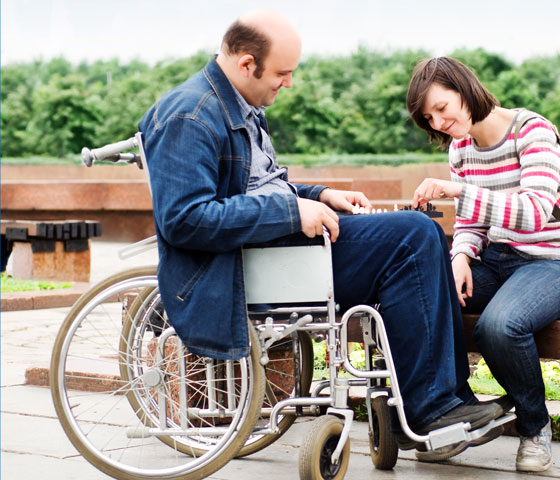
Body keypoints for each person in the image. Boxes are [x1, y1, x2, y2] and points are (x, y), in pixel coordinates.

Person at [137, 11, 503, 449]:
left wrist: (321, 194)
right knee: (413, 236)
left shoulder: (240, 105)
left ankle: (441, 401)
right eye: (282, 73)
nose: (288, 83)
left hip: (278, 247)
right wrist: (293, 212)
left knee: (419, 233)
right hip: (246, 265)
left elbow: (259, 185)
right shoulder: (190, 116)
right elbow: (185, 220)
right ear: (246, 63)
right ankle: (429, 407)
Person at [406, 56, 560, 472]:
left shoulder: (532, 131)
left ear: (464, 89)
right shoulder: (461, 148)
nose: (438, 121)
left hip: (558, 260)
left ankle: (534, 426)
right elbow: (473, 221)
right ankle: (456, 412)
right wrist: (460, 257)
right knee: (426, 299)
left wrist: (456, 190)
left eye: (442, 107)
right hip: (498, 257)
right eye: (428, 117)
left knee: (499, 326)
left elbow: (535, 212)